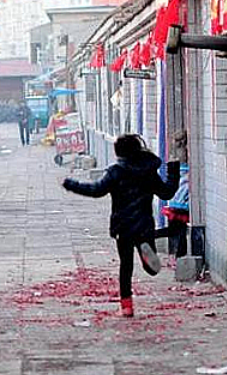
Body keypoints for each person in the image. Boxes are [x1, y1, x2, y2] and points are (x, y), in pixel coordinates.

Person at [62, 134, 180, 317]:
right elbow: (166, 193)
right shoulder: (148, 171)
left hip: (123, 226)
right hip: (144, 225)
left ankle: (126, 305)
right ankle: (147, 257)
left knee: (126, 266)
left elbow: (96, 191)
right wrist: (174, 170)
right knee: (151, 269)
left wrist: (71, 184)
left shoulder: (116, 171)